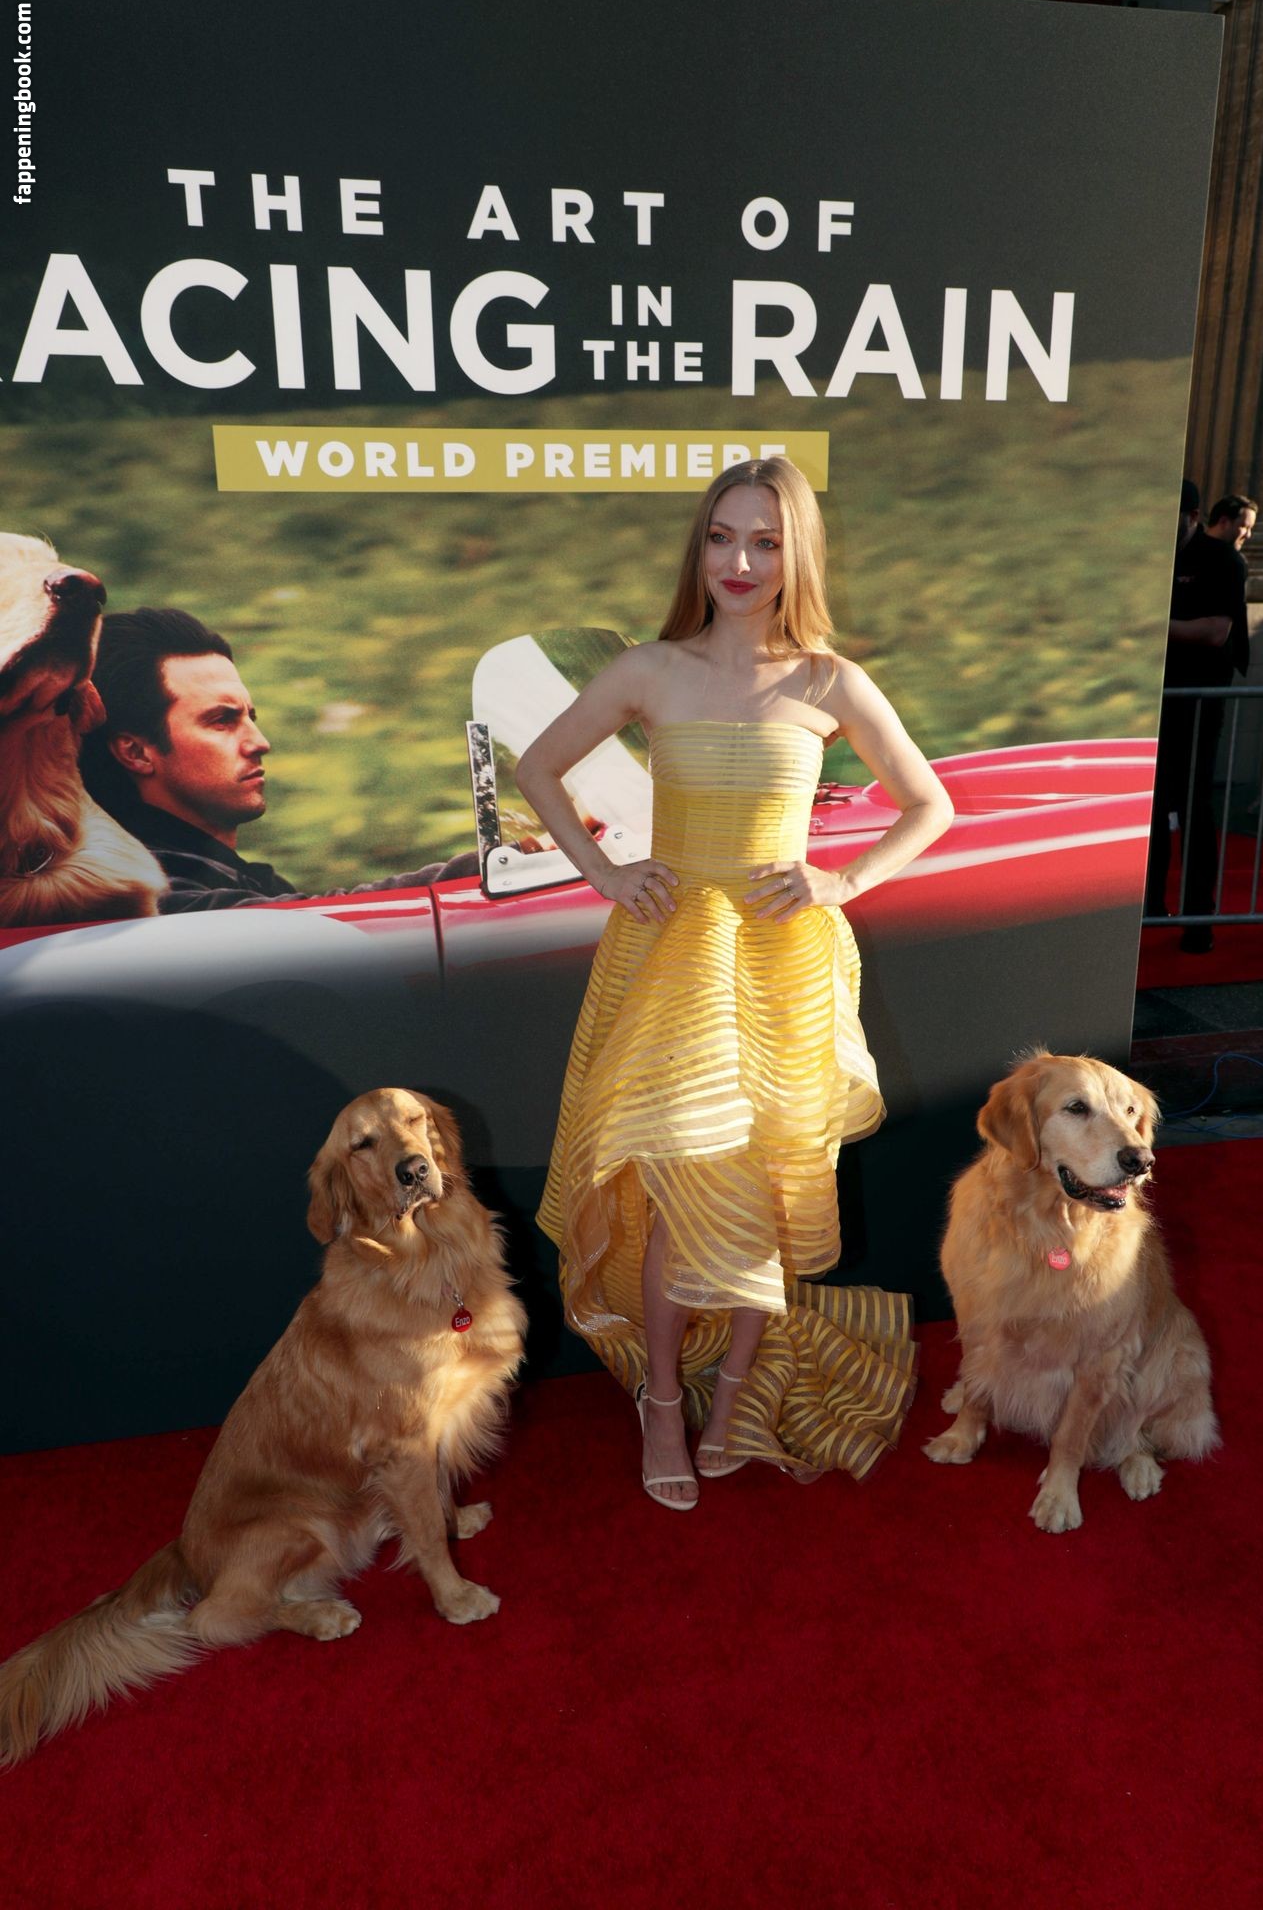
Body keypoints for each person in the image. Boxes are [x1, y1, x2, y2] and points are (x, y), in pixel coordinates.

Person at [516, 459, 954, 1508]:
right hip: (675, 960)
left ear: (797, 554)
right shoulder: (650, 669)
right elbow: (537, 768)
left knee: (768, 1182)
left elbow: (927, 804)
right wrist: (608, 873)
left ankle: (739, 1388)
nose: (740, 563)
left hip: (783, 963)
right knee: (683, 1185)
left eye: (764, 542)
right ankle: (663, 1398)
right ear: (698, 549)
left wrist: (841, 880)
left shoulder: (828, 683)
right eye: (721, 538)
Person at [80, 609, 473, 910]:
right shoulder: (144, 896)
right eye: (222, 721)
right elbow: (319, 925)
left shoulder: (226, 878)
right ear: (136, 752)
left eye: (251, 718)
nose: (260, 742)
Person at [1144, 481, 1252, 952]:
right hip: (1153, 704)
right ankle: (1148, 906)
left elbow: (1215, 632)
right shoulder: (1152, 557)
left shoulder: (1222, 560)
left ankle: (1197, 919)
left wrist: (1150, 628)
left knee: (1192, 808)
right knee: (1149, 809)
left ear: (1192, 516)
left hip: (1197, 706)